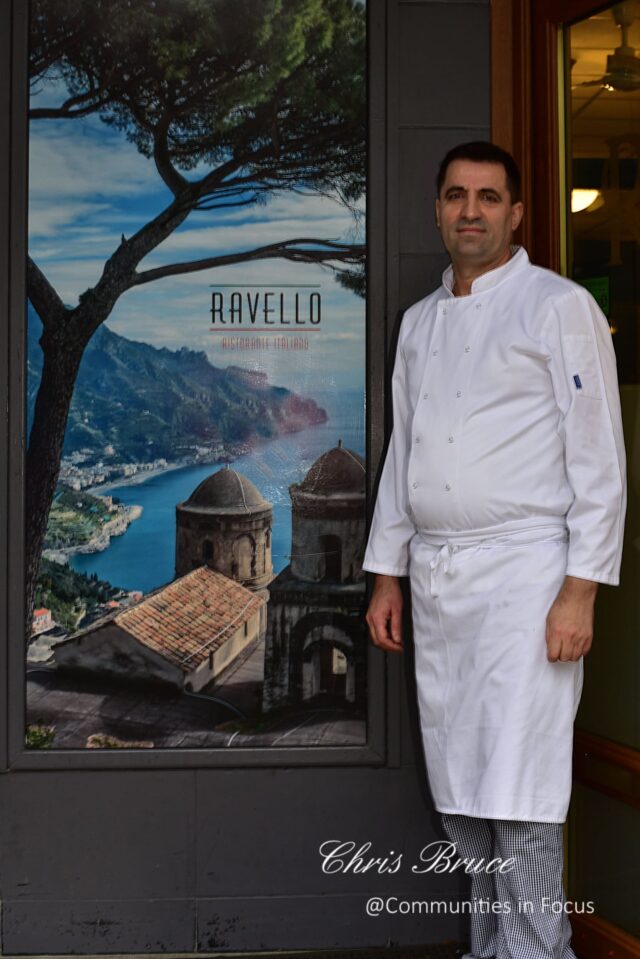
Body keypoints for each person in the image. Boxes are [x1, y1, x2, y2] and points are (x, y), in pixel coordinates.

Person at [363, 141, 626, 959]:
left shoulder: (559, 306)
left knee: (520, 792)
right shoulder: (418, 324)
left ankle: (540, 950)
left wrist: (580, 589)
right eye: (455, 195)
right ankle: (492, 949)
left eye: (487, 196)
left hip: (527, 577)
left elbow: (599, 457)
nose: (470, 210)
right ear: (438, 210)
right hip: (439, 583)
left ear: (515, 213)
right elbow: (406, 454)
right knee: (463, 792)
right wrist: (386, 574)